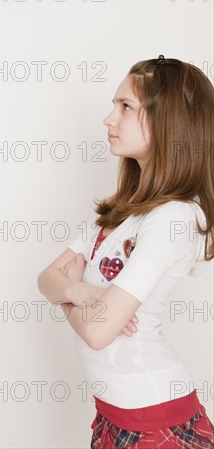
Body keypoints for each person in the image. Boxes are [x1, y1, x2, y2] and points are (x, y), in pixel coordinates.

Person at [38, 56, 214, 448]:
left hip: (154, 423)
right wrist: (83, 293)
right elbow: (46, 279)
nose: (108, 118)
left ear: (169, 121)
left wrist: (69, 295)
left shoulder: (173, 218)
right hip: (114, 415)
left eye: (126, 107)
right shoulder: (123, 211)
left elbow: (100, 333)